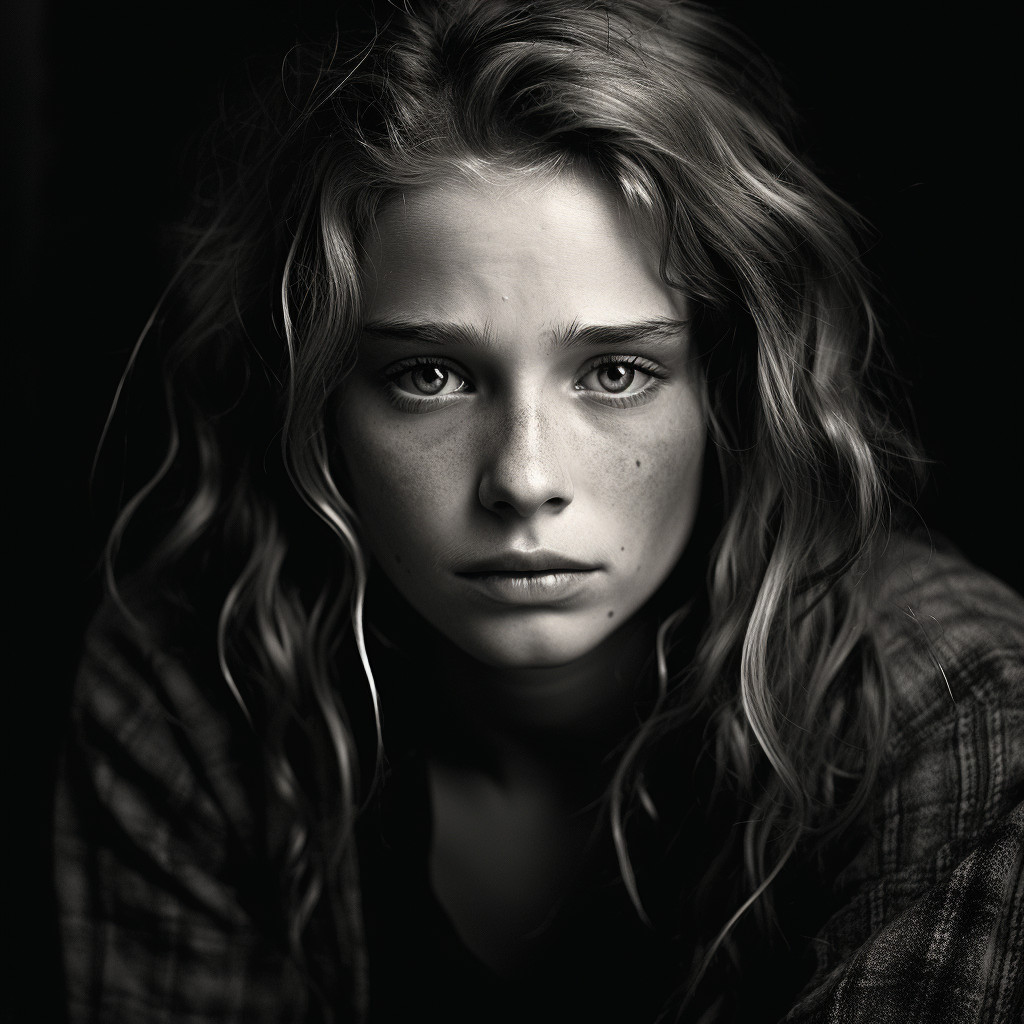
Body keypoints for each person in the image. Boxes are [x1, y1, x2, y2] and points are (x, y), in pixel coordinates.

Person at [53, 1, 1023, 1022]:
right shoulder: (195, 689)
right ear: (317, 399)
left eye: (615, 371)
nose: (522, 478)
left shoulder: (962, 724)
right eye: (428, 374)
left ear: (730, 389)